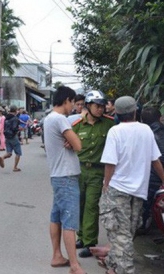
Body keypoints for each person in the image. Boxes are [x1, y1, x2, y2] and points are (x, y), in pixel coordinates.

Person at [100, 96, 164, 274]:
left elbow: (110, 163)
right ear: (135, 111)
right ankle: (113, 266)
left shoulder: (115, 131)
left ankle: (125, 270)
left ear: (117, 113)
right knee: (128, 232)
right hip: (138, 191)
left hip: (118, 189)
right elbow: (156, 160)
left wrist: (106, 185)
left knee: (122, 235)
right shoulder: (146, 130)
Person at [43, 86, 85, 274]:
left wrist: (68, 141)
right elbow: (78, 145)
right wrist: (73, 141)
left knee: (56, 216)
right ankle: (75, 266)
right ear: (67, 100)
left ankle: (57, 255)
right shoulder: (60, 119)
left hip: (57, 174)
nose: (74, 107)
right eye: (73, 103)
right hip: (66, 176)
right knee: (70, 220)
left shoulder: (48, 118)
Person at [72, 90, 114, 258]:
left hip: (97, 170)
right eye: (97, 106)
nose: (101, 109)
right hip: (79, 169)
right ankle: (81, 236)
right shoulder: (77, 125)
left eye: (103, 106)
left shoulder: (110, 124)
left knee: (91, 205)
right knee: (79, 204)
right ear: (88, 106)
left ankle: (90, 243)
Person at [138, 107, 164, 233]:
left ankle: (143, 226)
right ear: (160, 118)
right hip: (158, 176)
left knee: (145, 205)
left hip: (150, 176)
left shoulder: (144, 135)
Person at [0, 105, 22, 172]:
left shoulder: (6, 118)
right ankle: (15, 167)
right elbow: (14, 128)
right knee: (18, 153)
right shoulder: (15, 118)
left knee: (9, 153)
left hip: (7, 136)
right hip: (13, 137)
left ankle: (2, 157)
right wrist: (19, 129)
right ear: (15, 111)